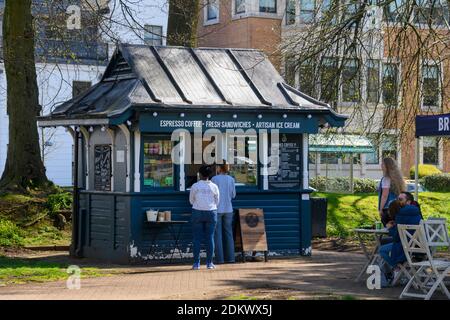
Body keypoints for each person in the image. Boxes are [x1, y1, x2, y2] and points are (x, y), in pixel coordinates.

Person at [379, 199, 422, 282]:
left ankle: (396, 268)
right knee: (386, 243)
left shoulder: (399, 216)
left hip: (405, 247)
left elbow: (396, 238)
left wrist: (390, 228)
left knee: (382, 250)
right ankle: (398, 269)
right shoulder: (416, 212)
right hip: (418, 245)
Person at [189, 165, 219, 270]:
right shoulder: (214, 186)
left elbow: (191, 200)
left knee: (197, 238)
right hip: (211, 212)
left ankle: (196, 263)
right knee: (210, 238)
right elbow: (217, 201)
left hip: (197, 211)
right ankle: (209, 263)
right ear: (210, 175)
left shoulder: (195, 186)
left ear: (200, 174)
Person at [211, 162, 236, 264]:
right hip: (229, 209)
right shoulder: (231, 179)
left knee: (217, 234)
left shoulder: (214, 179)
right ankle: (231, 258)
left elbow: (212, 194)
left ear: (219, 168)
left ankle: (220, 259)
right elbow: (233, 195)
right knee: (229, 234)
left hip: (217, 209)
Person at [378, 157, 406, 226]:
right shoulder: (398, 179)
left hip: (387, 208)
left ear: (387, 166)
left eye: (383, 164)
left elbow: (384, 195)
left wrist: (380, 209)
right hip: (398, 207)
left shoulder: (386, 179)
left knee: (389, 228)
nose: (381, 165)